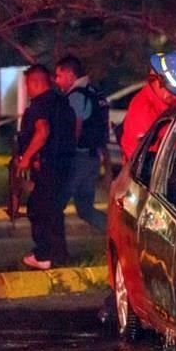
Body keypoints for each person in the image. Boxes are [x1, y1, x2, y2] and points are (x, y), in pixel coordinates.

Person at [17, 64, 76, 270]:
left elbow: (42, 132)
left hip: (47, 165)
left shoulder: (39, 105)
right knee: (54, 211)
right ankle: (59, 255)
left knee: (38, 209)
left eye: (27, 85)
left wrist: (26, 158)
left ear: (35, 83)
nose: (26, 90)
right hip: (65, 164)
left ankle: (43, 255)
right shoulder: (62, 101)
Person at [53, 56, 108, 232]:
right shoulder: (94, 92)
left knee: (55, 203)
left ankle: (50, 250)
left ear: (70, 74)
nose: (57, 81)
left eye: (59, 75)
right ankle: (118, 235)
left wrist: (62, 156)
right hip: (93, 158)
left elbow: (74, 130)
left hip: (79, 158)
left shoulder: (76, 96)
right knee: (85, 210)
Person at [119, 50, 176, 161]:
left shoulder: (173, 98)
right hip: (145, 167)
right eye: (170, 92)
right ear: (156, 80)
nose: (174, 96)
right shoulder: (143, 111)